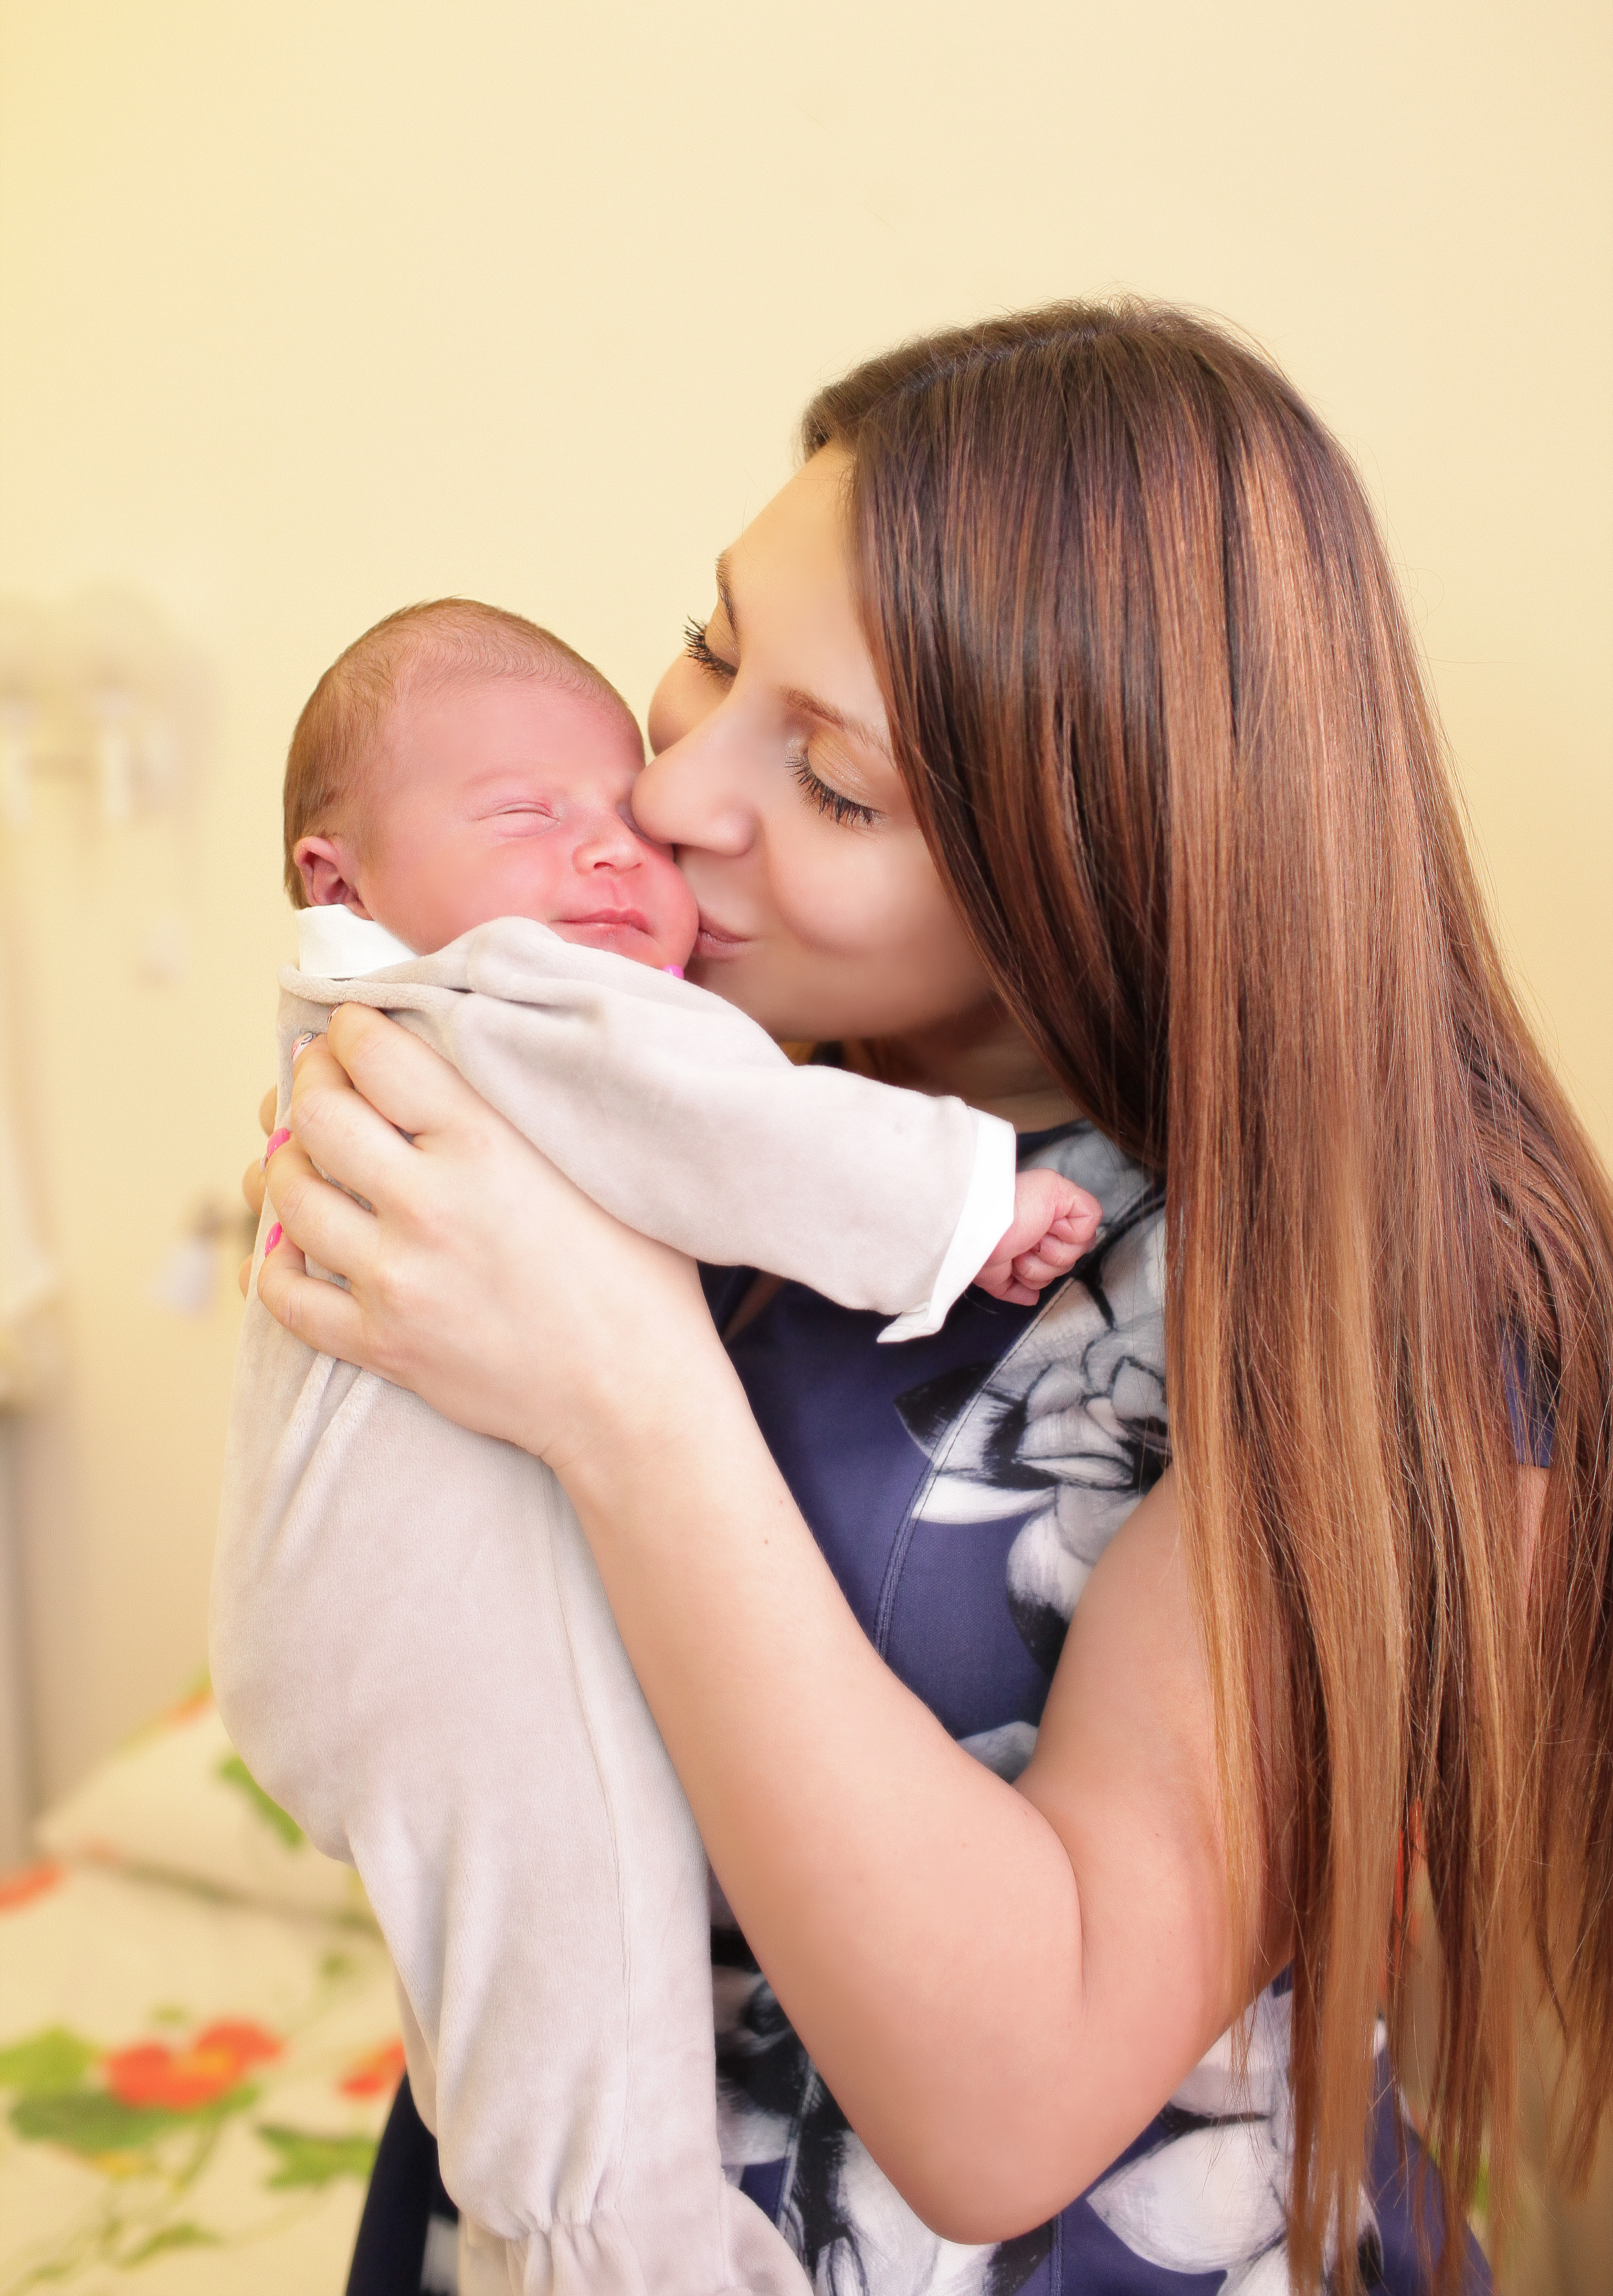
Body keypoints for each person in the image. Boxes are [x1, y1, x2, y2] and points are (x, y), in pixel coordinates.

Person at [248, 301, 1613, 2296]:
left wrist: (619, 1387)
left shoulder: (1395, 1293)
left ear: (1110, 855)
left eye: (843, 788)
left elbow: (1006, 2111)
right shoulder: (723, 1067)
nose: (678, 796)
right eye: (713, 645)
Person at [214, 596, 1096, 2296]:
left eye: (833, 772)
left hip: (363, 1614)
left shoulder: (435, 1004)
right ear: (339, 884)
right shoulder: (498, 999)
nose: (641, 842)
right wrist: (964, 1201)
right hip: (424, 1609)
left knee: (534, 1972)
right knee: (575, 1954)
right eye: (533, 818)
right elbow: (719, 1126)